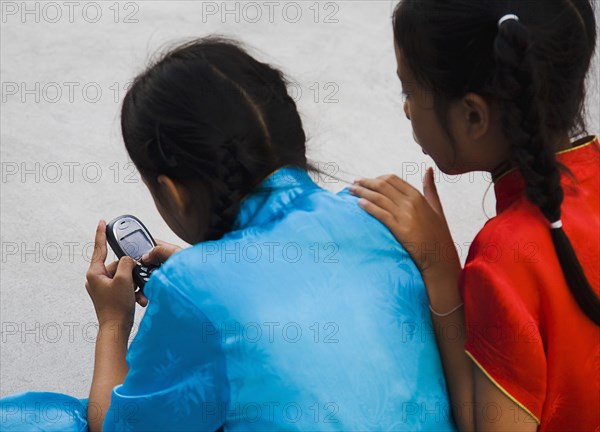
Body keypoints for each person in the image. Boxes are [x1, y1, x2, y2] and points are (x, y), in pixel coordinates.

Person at [0, 37, 456, 431]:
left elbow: (118, 427)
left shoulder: (191, 287)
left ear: (174, 193)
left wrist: (113, 323)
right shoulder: (380, 213)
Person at [350, 1, 599, 431]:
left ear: (472, 115)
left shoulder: (505, 256)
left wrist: (443, 268)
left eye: (409, 92)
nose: (407, 109)